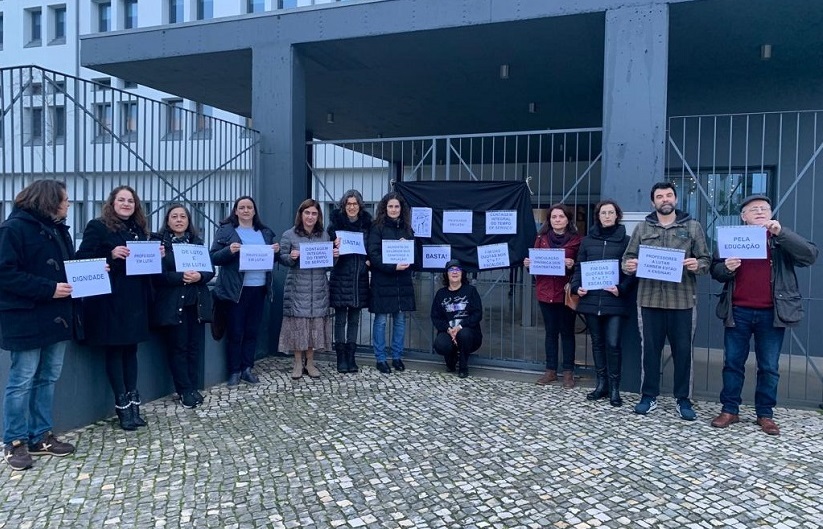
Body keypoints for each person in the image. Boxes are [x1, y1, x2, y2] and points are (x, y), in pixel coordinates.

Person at [709, 194, 817, 435]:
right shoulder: (732, 239)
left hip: (772, 312)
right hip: (738, 311)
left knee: (769, 366)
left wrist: (782, 233)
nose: (759, 211)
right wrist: (726, 268)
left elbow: (809, 255)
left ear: (770, 213)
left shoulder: (780, 239)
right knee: (732, 363)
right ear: (743, 217)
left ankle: (765, 414)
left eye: (764, 208)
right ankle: (729, 410)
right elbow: (715, 271)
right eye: (753, 209)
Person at [0, 180, 77, 470]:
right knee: (22, 380)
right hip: (26, 317)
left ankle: (41, 435)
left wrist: (91, 270)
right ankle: (14, 441)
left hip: (56, 315)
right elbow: (5, 274)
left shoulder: (58, 229)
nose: (68, 204)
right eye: (65, 199)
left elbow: (66, 268)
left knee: (48, 377)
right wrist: (49, 289)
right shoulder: (13, 229)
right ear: (49, 200)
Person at [622, 181, 711, 420]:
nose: (665, 200)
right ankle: (648, 396)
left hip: (682, 301)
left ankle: (683, 399)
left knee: (683, 352)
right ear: (653, 202)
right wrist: (629, 266)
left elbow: (706, 260)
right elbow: (627, 259)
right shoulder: (642, 228)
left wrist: (697, 264)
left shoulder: (692, 227)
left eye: (669, 195)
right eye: (660, 196)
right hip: (649, 300)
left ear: (676, 199)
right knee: (650, 351)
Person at [77, 185, 163, 431]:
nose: (126, 204)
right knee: (115, 350)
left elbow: (145, 266)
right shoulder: (98, 226)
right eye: (122, 200)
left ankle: (134, 404)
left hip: (135, 299)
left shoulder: (139, 229)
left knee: (131, 350)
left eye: (130, 201)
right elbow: (82, 258)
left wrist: (156, 255)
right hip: (110, 301)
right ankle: (122, 406)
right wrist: (110, 254)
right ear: (112, 203)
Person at [569, 200, 635, 406]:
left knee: (613, 344)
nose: (607, 216)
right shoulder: (587, 241)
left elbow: (632, 272)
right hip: (591, 300)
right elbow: (579, 267)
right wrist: (576, 287)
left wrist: (621, 288)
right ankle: (601, 384)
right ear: (598, 216)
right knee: (597, 344)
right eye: (603, 213)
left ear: (617, 216)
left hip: (615, 301)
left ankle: (615, 388)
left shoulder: (627, 241)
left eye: (610, 212)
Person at [210, 196, 278, 387]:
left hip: (259, 288)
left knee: (252, 331)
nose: (246, 210)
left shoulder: (264, 233)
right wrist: (229, 251)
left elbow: (272, 260)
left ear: (254, 211)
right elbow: (213, 257)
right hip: (235, 290)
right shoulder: (227, 231)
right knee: (236, 331)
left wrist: (276, 251)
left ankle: (247, 368)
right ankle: (234, 370)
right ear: (236, 211)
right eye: (242, 207)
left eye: (249, 207)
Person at [151, 204, 215, 409]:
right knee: (178, 348)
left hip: (195, 304)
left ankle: (193, 386)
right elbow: (157, 276)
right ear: (167, 221)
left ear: (188, 221)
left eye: (183, 217)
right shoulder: (159, 245)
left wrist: (200, 276)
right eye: (174, 217)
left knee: (194, 347)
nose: (179, 220)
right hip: (173, 304)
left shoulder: (197, 243)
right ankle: (184, 390)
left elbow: (210, 271)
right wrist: (181, 277)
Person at [523, 203, 582, 388]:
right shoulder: (540, 239)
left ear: (568, 219)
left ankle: (568, 372)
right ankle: (550, 370)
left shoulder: (577, 240)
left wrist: (572, 264)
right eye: (554, 217)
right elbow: (534, 267)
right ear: (549, 220)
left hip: (566, 292)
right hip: (545, 291)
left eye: (561, 216)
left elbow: (581, 265)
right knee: (550, 332)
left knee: (567, 332)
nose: (557, 220)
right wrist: (529, 264)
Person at [279, 199, 337, 380]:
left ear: (318, 216)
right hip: (298, 287)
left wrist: (334, 256)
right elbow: (281, 258)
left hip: (318, 288)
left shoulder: (324, 236)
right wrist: (291, 256)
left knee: (313, 326)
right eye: (307, 213)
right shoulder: (289, 235)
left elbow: (328, 266)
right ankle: (297, 362)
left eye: (314, 213)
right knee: (299, 326)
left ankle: (310, 362)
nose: (310, 217)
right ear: (301, 214)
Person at [367, 191, 416, 374]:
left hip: (402, 282)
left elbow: (415, 254)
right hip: (383, 280)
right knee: (380, 321)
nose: (394, 209)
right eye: (390, 206)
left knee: (400, 320)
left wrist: (407, 244)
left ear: (401, 209)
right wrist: (393, 266)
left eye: (397, 206)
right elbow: (373, 254)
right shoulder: (377, 228)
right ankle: (380, 358)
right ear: (384, 208)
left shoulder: (408, 229)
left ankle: (397, 357)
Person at [326, 190, 371, 374]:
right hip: (341, 276)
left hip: (359, 278)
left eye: (355, 203)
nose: (352, 207)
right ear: (343, 206)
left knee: (354, 319)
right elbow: (326, 251)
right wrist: (333, 246)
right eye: (348, 204)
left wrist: (369, 261)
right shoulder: (334, 226)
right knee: (340, 320)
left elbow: (372, 248)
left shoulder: (368, 225)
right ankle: (341, 357)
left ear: (360, 206)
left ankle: (351, 356)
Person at [430, 259, 483, 378]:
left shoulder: (471, 291)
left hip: (469, 333)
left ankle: (463, 367)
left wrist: (460, 327)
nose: (455, 272)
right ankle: (451, 361)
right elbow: (436, 317)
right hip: (448, 331)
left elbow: (477, 314)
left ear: (462, 273)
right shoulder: (441, 294)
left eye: (458, 269)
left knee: (464, 334)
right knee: (440, 344)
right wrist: (448, 329)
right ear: (446, 274)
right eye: (451, 270)